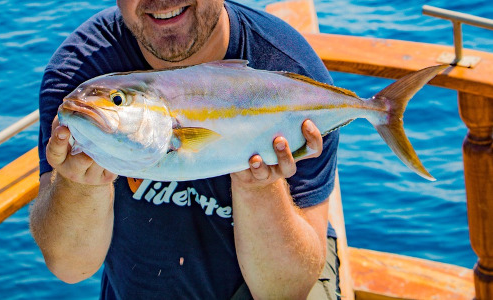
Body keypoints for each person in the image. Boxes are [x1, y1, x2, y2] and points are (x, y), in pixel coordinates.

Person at [30, 0, 340, 299]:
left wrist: (260, 187)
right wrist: (78, 184)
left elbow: (284, 293)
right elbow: (70, 268)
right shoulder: (80, 76)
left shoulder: (292, 72)